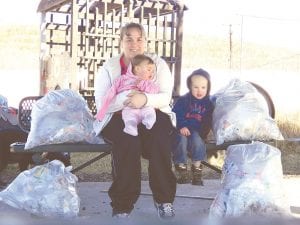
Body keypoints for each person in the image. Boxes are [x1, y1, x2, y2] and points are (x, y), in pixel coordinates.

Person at [94, 22, 177, 219]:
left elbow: (165, 97)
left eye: (139, 39)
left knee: (159, 137)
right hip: (117, 116)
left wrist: (145, 99)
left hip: (152, 112)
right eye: (129, 38)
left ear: (145, 41)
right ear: (121, 41)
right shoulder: (110, 67)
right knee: (128, 141)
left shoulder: (156, 63)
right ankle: (122, 206)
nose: (134, 43)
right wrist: (128, 99)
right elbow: (101, 102)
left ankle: (164, 200)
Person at [96, 54, 159, 136]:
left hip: (144, 106)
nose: (152, 73)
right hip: (128, 106)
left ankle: (149, 120)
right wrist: (101, 112)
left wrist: (143, 86)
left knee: (149, 110)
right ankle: (130, 127)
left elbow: (155, 91)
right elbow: (110, 93)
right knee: (128, 116)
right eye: (149, 69)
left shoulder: (147, 83)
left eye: (153, 71)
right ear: (137, 69)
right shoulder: (122, 79)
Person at [172, 68, 214, 186]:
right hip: (182, 128)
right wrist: (182, 126)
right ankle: (181, 169)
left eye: (203, 87)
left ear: (208, 88)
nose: (199, 90)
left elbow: (208, 119)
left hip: (196, 130)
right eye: (196, 87)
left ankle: (196, 170)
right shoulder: (184, 100)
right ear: (190, 87)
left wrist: (204, 133)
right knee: (181, 140)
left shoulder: (208, 103)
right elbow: (176, 113)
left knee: (197, 141)